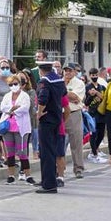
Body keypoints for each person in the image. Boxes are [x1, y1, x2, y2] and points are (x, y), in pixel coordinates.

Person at [35, 60, 65, 193]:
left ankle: (49, 184)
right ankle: (50, 179)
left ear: (41, 70)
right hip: (57, 118)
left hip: (46, 119)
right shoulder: (58, 80)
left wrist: (39, 112)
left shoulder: (44, 81)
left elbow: (43, 98)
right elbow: (63, 94)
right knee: (51, 150)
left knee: (46, 152)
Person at [0, 72, 34, 185]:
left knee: (22, 152)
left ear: (20, 84)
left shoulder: (25, 96)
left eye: (15, 83)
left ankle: (28, 175)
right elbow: (2, 107)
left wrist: (12, 110)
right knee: (10, 153)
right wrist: (12, 108)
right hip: (8, 127)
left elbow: (24, 108)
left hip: (20, 128)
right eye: (11, 84)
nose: (13, 86)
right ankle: (11, 175)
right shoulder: (7, 96)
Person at [61, 63, 86, 179]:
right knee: (60, 143)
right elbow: (70, 97)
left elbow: (75, 97)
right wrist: (69, 95)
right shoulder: (59, 82)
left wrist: (63, 92)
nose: (67, 72)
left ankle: (78, 168)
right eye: (65, 70)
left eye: (70, 70)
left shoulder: (79, 83)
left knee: (76, 143)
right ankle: (60, 168)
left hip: (74, 114)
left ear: (75, 72)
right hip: (60, 114)